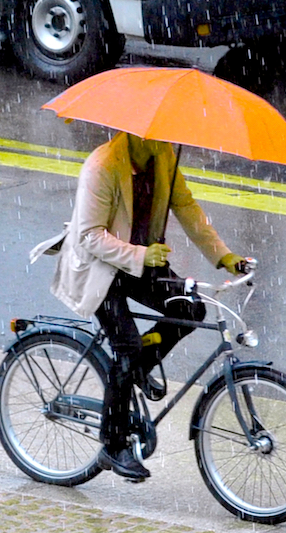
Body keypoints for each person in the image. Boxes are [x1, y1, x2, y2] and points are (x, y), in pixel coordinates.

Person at [39, 132, 245, 481]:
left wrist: (222, 255)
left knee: (190, 309)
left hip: (141, 261)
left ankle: (139, 367)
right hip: (99, 267)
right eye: (157, 134)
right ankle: (113, 444)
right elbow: (90, 236)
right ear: (135, 132)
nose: (164, 139)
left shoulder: (163, 155)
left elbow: (186, 206)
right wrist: (141, 253)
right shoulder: (102, 165)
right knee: (127, 347)